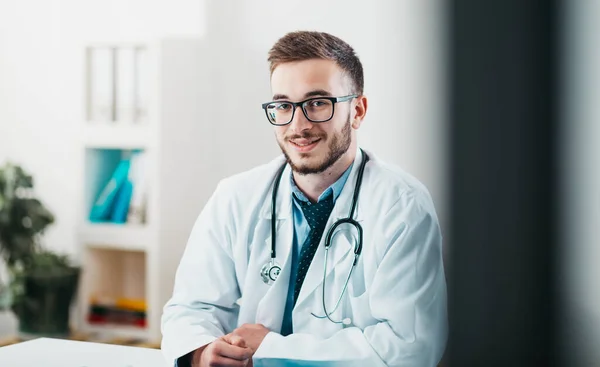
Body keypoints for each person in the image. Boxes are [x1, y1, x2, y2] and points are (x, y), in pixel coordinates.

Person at [161, 30, 448, 367]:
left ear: (357, 110)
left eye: (317, 103)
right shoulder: (235, 197)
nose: (298, 125)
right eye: (283, 105)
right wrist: (202, 351)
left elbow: (409, 349)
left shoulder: (402, 207)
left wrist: (269, 349)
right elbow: (190, 308)